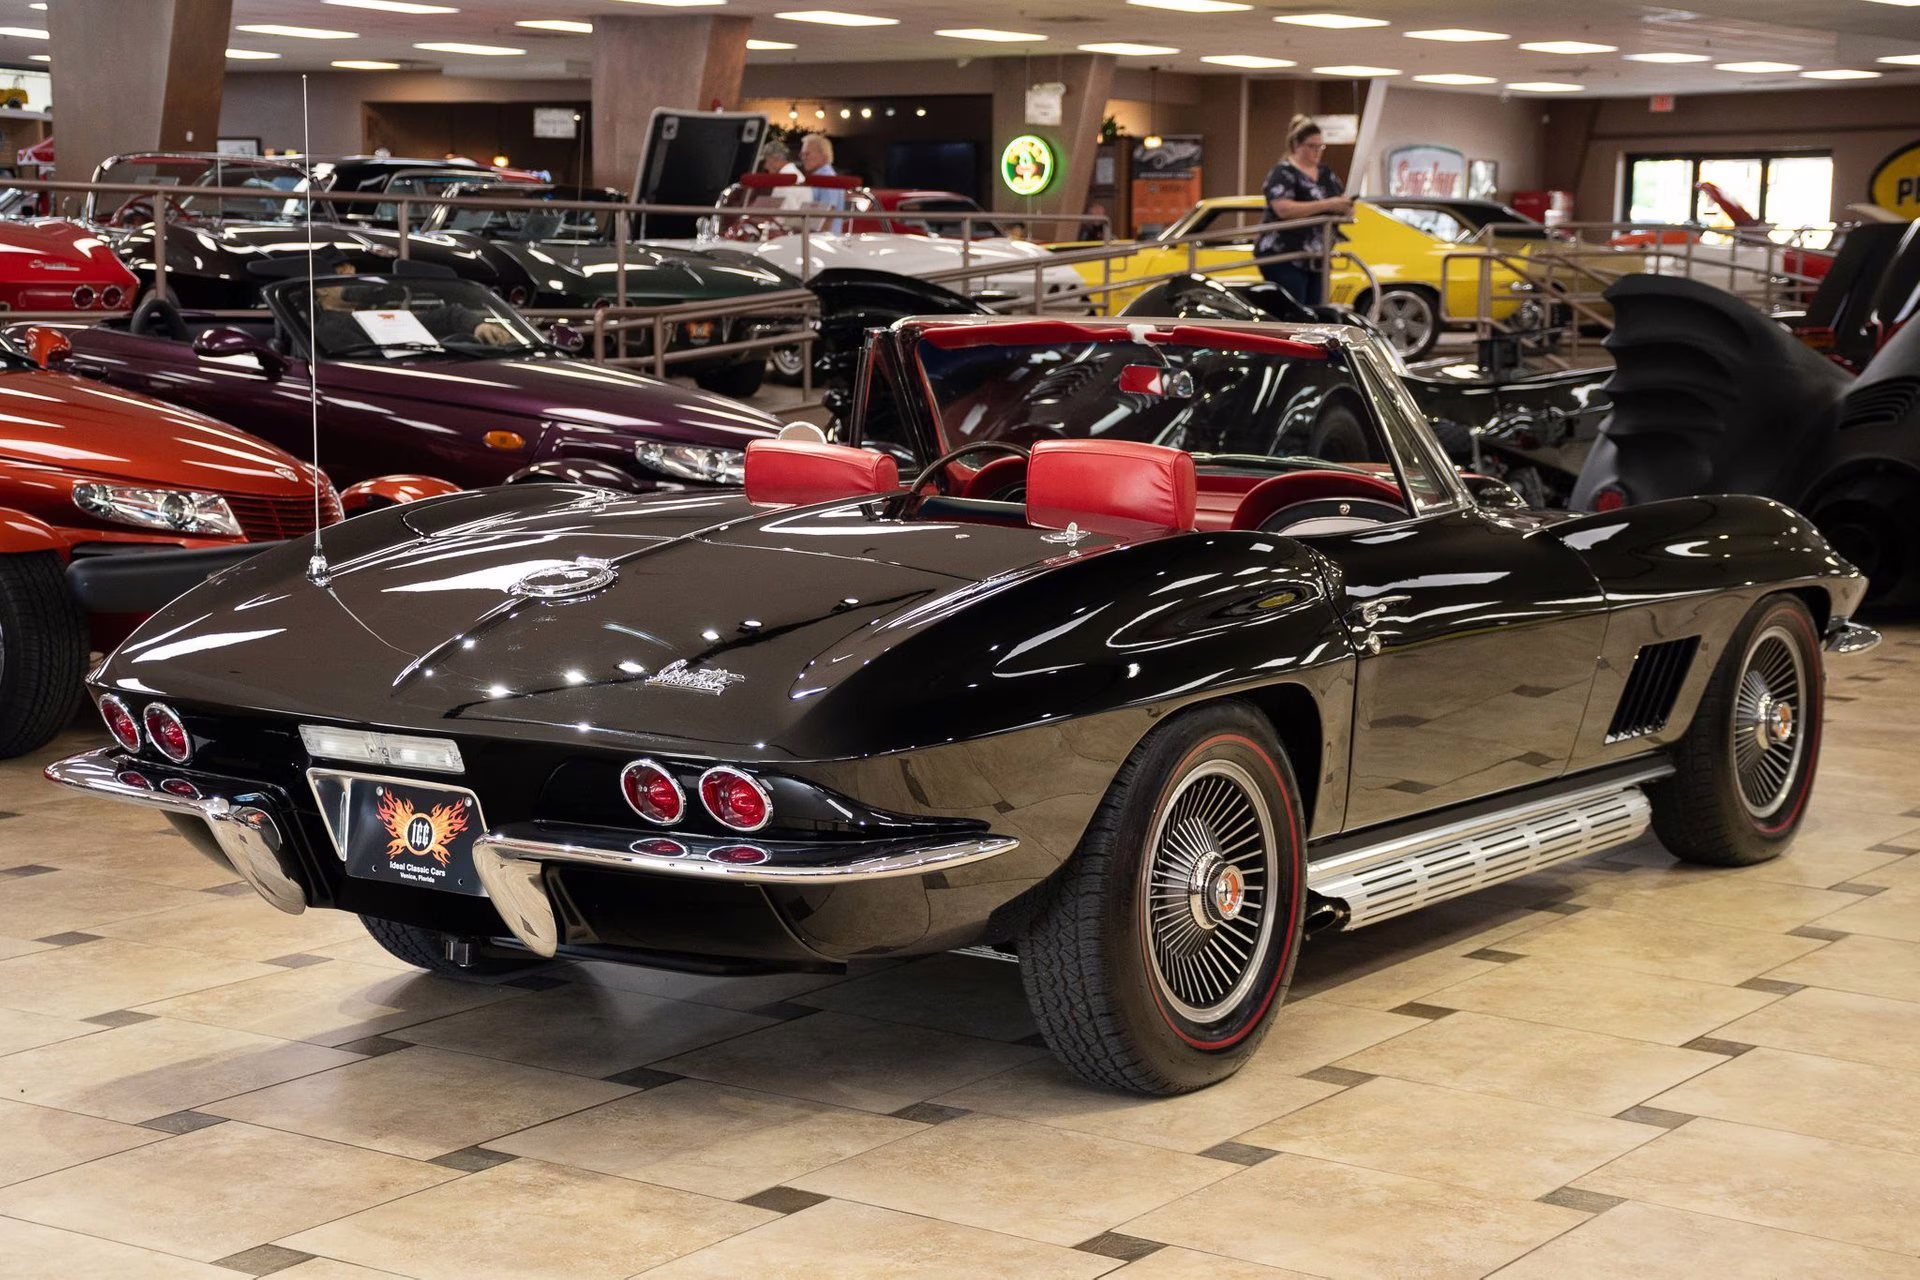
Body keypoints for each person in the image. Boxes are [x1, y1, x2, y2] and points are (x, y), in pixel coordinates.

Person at [1256, 114, 1353, 305]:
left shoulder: (1326, 174)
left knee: (1317, 309)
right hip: (1285, 253)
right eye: (1311, 146)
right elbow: (1284, 209)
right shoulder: (1283, 173)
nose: (1317, 152)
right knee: (1294, 308)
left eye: (1321, 147)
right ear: (1296, 146)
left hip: (1317, 257)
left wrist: (1344, 207)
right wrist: (1327, 204)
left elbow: (1341, 201)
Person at [799, 134, 847, 232]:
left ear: (823, 155)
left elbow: (828, 215)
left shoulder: (827, 178)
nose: (803, 158)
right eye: (802, 155)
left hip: (823, 238)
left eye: (807, 154)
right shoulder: (818, 178)